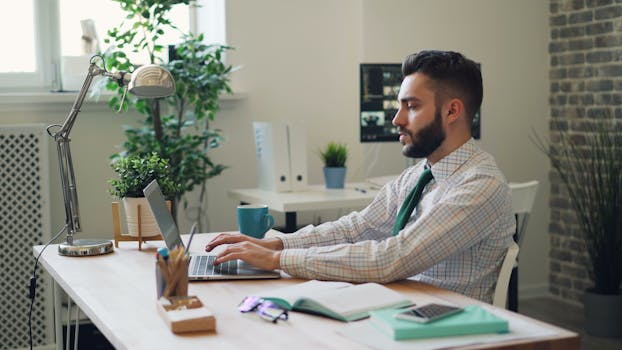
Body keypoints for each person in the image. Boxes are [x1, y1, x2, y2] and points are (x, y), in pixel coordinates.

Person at [206, 50, 515, 303]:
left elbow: (392, 258)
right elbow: (357, 229)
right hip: (401, 305)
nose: (397, 119)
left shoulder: (480, 185)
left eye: (412, 106)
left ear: (452, 112)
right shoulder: (419, 176)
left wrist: (278, 262)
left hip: (445, 328)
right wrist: (278, 245)